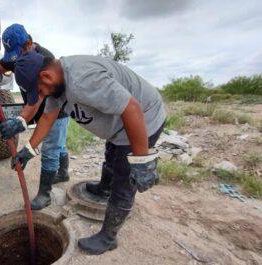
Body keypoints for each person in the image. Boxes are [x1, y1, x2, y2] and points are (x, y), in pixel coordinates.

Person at [10, 51, 166, 255]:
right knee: (111, 154)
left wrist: (142, 160)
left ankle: (108, 237)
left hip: (143, 119)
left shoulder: (83, 80)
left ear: (46, 76)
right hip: (118, 127)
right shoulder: (58, 86)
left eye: (40, 91)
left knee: (124, 178)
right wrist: (28, 151)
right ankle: (104, 188)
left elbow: (132, 109)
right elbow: (47, 119)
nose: (43, 95)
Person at [0, 24, 70, 210]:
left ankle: (44, 195)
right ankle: (64, 172)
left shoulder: (45, 58)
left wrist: (21, 120)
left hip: (56, 111)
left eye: (19, 53)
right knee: (58, 144)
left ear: (29, 43)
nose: (15, 60)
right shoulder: (16, 56)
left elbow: (39, 97)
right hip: (38, 105)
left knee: (51, 148)